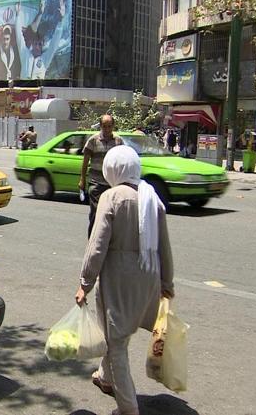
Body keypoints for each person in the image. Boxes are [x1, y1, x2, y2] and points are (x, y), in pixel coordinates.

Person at [75, 145, 174, 415]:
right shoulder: (151, 197)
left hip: (120, 279)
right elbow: (164, 246)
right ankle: (107, 378)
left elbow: (97, 246)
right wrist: (167, 285)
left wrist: (85, 283)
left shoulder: (112, 197)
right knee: (117, 332)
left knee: (116, 341)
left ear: (112, 168)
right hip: (149, 278)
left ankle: (129, 408)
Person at [79, 114, 123, 237]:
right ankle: (92, 240)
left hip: (113, 184)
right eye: (104, 126)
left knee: (112, 214)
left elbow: (122, 161)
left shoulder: (118, 141)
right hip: (96, 183)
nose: (107, 129)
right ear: (101, 126)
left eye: (109, 126)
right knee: (96, 213)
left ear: (113, 126)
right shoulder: (93, 140)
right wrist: (82, 179)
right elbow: (85, 161)